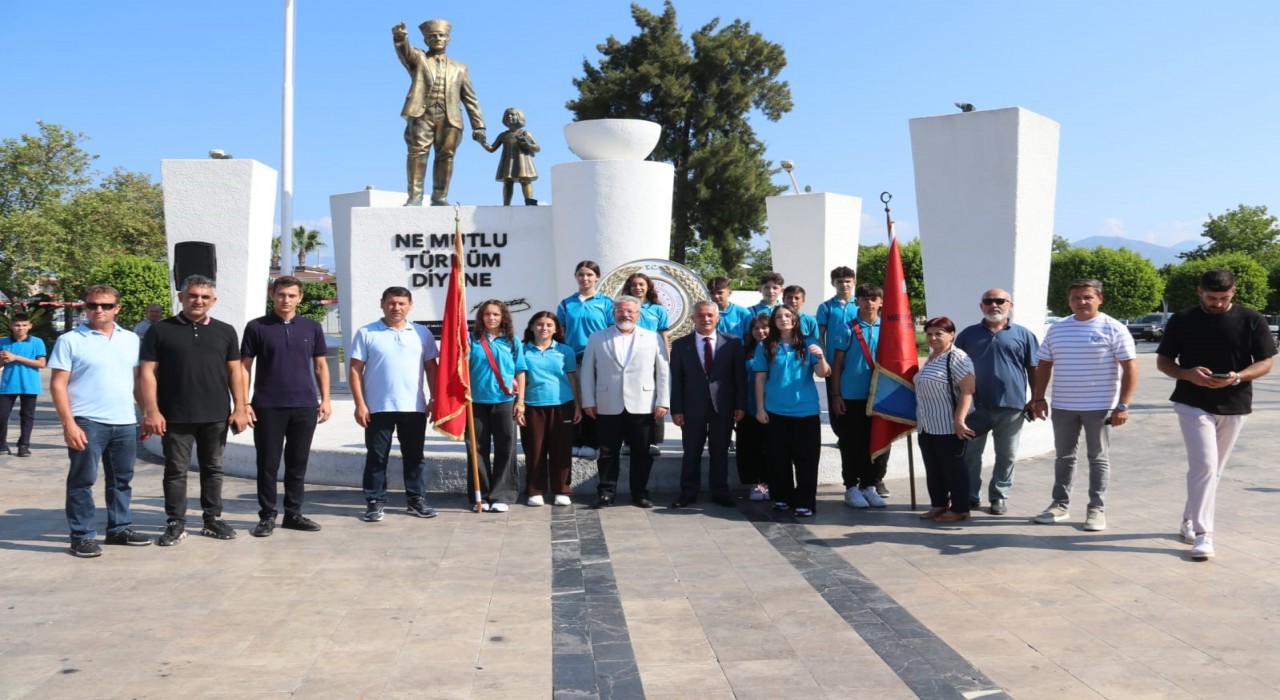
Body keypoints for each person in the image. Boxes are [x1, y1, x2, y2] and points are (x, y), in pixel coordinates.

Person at [1156, 269, 1275, 561]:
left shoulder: (1251, 319)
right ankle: (1203, 534)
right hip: (1191, 402)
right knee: (1206, 465)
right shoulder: (1183, 319)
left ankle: (1188, 520)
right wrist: (1188, 374)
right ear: (1200, 292)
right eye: (1211, 298)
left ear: (1234, 292)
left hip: (1235, 403)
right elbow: (1163, 361)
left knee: (1212, 470)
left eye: (1223, 298)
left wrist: (1237, 377)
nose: (1218, 303)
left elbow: (1265, 362)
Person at [139, 275, 251, 546]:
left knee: (213, 468)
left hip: (216, 415)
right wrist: (151, 411)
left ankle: (212, 519)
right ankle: (176, 522)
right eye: (192, 295)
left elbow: (235, 372)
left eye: (204, 297)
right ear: (181, 297)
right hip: (175, 415)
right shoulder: (160, 330)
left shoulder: (225, 331)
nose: (198, 301)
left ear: (213, 300)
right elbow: (147, 372)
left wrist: (241, 407)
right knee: (175, 470)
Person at [48, 284, 151, 557]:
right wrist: (68, 424)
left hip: (125, 422)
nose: (99, 310)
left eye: (106, 305)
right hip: (87, 422)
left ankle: (119, 529)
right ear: (85, 307)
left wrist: (145, 414)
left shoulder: (131, 339)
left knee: (122, 480)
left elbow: (137, 381)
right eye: (93, 305)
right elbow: (58, 384)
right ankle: (82, 535)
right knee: (82, 481)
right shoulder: (70, 340)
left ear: (117, 308)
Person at [1030, 278, 1137, 532]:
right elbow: (1044, 365)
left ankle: (1096, 509)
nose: (1081, 302)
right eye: (1075, 298)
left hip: (1099, 407)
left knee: (1098, 458)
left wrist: (1123, 405)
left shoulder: (1114, 328)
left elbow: (1130, 368)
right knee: (1064, 457)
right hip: (1064, 405)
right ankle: (1059, 505)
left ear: (1100, 299)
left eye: (1087, 297)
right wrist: (1038, 398)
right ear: (1069, 301)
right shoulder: (1057, 329)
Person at [240, 275, 332, 538]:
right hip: (268, 405)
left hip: (304, 405)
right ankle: (267, 515)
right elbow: (244, 367)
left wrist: (325, 399)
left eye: (292, 295)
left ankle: (293, 514)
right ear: (272, 295)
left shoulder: (311, 327)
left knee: (297, 463)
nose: (286, 300)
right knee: (267, 464)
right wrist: (244, 402)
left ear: (300, 298)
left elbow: (320, 365)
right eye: (281, 294)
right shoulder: (257, 327)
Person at [349, 286, 440, 522]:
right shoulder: (366, 332)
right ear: (382, 304)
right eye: (391, 303)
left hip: (413, 407)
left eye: (401, 303)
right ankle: (375, 501)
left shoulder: (421, 333)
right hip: (377, 407)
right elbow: (355, 370)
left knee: (414, 456)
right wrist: (360, 404)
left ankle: (416, 499)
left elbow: (432, 368)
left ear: (410, 306)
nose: (396, 308)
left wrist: (434, 398)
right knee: (377, 456)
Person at [954, 287, 1040, 515]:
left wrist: (1036, 398)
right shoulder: (968, 335)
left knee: (1007, 454)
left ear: (1010, 305)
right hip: (974, 407)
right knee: (971, 455)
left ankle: (999, 495)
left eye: (1000, 301)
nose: (994, 305)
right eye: (988, 301)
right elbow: (954, 367)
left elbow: (1034, 368)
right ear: (981, 306)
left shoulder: (1024, 335)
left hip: (1011, 406)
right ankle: (970, 495)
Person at [579, 296, 670, 509]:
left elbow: (663, 371)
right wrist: (588, 401)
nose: (625, 315)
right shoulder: (597, 337)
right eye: (620, 310)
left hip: (643, 403)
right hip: (607, 403)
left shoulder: (652, 337)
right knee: (607, 452)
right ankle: (606, 493)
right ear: (613, 313)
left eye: (630, 311)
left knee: (642, 452)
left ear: (638, 314)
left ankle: (640, 493)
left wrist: (663, 401)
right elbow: (587, 372)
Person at [392, 18, 486, 206]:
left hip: (450, 118)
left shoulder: (460, 68)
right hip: (421, 115)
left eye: (441, 35)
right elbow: (405, 52)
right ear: (426, 40)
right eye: (432, 36)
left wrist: (479, 126)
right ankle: (415, 197)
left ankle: (439, 197)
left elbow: (470, 98)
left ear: (448, 40)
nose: (437, 38)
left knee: (446, 156)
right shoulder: (418, 59)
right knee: (417, 154)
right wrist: (400, 38)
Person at [750, 305, 829, 517]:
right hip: (776, 411)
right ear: (774, 321)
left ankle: (805, 502)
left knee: (807, 460)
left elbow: (823, 373)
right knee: (778, 459)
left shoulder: (809, 343)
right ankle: (783, 497)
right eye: (778, 316)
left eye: (787, 315)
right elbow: (760, 378)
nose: (783, 319)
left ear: (794, 319)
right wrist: (760, 408)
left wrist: (821, 357)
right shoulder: (766, 346)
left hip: (806, 412)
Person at [670, 301, 747, 508]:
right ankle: (688, 493)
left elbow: (739, 378)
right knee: (691, 452)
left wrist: (740, 405)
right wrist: (676, 409)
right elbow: (676, 380)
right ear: (693, 318)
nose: (705, 319)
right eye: (701, 315)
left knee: (720, 451)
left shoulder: (733, 343)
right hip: (691, 407)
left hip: (723, 407)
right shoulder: (680, 344)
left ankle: (720, 492)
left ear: (717, 317)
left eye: (710, 315)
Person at [830, 283, 890, 509]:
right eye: (864, 298)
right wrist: (836, 394)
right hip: (852, 396)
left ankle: (869, 484)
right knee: (851, 443)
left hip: (880, 395)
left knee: (876, 442)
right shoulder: (847, 328)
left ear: (881, 302)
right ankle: (851, 487)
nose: (869, 303)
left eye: (874, 298)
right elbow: (837, 365)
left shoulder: (888, 328)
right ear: (857, 302)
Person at [914, 317, 977, 523]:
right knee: (933, 468)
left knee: (954, 469)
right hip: (927, 425)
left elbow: (968, 390)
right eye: (929, 334)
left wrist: (959, 421)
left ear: (951, 335)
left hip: (949, 426)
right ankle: (939, 504)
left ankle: (961, 508)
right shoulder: (933, 357)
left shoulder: (957, 357)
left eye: (938, 334)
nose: (933, 338)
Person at [515, 312, 579, 507]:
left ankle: (562, 490)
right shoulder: (522, 350)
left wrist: (577, 405)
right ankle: (535, 491)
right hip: (533, 406)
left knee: (561, 449)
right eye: (540, 324)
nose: (544, 328)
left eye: (549, 325)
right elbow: (519, 378)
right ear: (532, 327)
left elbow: (572, 379)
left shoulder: (565, 351)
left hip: (562, 405)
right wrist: (520, 403)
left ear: (556, 329)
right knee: (534, 450)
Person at [466, 300, 525, 512]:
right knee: (476, 449)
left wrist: (520, 401)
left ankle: (502, 495)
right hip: (475, 403)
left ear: (503, 317)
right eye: (487, 314)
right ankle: (480, 495)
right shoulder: (471, 340)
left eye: (496, 314)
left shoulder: (512, 341)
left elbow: (520, 371)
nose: (491, 318)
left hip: (504, 401)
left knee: (505, 448)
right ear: (481, 317)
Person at [556, 260, 613, 460]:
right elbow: (560, 332)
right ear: (576, 277)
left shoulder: (606, 303)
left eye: (589, 274)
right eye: (581, 274)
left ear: (597, 277)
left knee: (594, 400)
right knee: (576, 399)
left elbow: (612, 331)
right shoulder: (566, 304)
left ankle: (592, 442)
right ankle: (576, 440)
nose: (585, 278)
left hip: (598, 358)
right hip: (574, 357)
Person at [626, 272, 670, 457]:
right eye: (634, 285)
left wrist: (666, 359)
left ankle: (653, 440)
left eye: (641, 284)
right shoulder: (625, 308)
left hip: (651, 359)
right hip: (628, 359)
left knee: (654, 399)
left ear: (648, 287)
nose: (638, 288)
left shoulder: (657, 309)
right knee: (628, 399)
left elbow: (664, 336)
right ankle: (628, 441)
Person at [1, 314, 46, 457]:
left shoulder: (37, 342)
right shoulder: (3, 342)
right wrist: (2, 359)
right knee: (2, 415)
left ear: (29, 326)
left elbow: (41, 363)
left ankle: (24, 445)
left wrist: (16, 357)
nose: (21, 328)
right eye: (17, 325)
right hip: (8, 384)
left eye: (24, 325)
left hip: (30, 385)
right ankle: (2, 445)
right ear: (11, 326)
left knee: (27, 416)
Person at [737, 314, 772, 500]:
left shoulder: (777, 350)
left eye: (764, 327)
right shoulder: (744, 351)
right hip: (749, 407)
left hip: (773, 407)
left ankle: (770, 482)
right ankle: (756, 483)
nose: (760, 331)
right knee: (750, 447)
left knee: (771, 447)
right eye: (756, 328)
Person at [481, 107, 540, 205]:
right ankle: (506, 204)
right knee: (508, 181)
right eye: (507, 115)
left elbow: (537, 148)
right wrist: (482, 142)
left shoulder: (525, 133)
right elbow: (491, 148)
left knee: (525, 180)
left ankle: (529, 200)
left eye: (512, 114)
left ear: (519, 117)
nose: (509, 116)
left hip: (522, 160)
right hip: (508, 161)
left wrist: (526, 144)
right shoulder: (503, 135)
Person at [816, 266, 858, 352]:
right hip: (833, 355)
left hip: (855, 355)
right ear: (833, 283)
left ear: (854, 282)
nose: (844, 285)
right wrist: (823, 355)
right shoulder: (825, 307)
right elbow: (820, 334)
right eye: (840, 282)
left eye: (848, 281)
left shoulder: (861, 305)